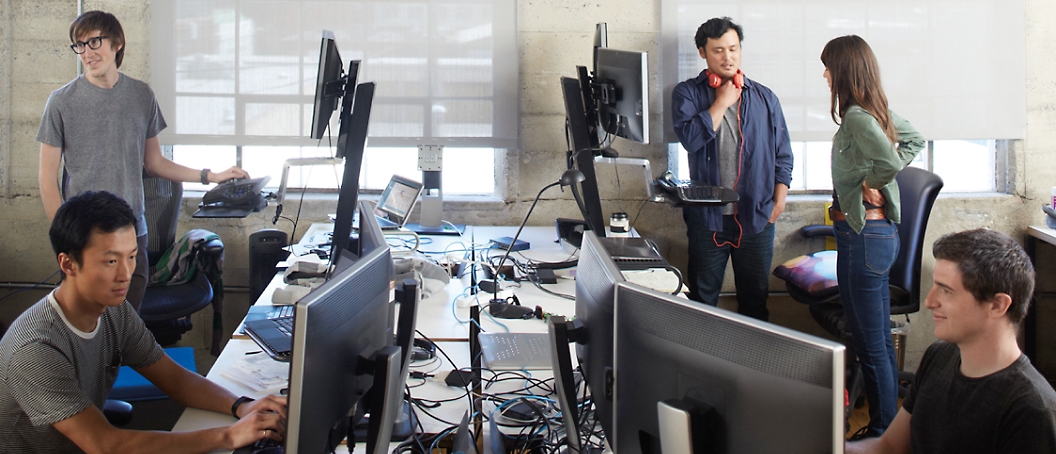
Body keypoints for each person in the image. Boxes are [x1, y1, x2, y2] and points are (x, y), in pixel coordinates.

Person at [0, 191, 287, 452]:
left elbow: (174, 379)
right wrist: (229, 436)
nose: (126, 274)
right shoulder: (36, 349)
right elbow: (106, 445)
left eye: (132, 257)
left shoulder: (114, 311)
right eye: (111, 261)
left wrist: (242, 407)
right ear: (68, 264)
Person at [36, 10, 249, 312]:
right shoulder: (61, 101)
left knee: (124, 329)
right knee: (90, 333)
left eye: (94, 42)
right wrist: (65, 238)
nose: (86, 52)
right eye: (79, 45)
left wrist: (211, 176)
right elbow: (47, 179)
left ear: (117, 43)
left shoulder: (140, 96)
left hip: (132, 233)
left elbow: (156, 164)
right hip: (85, 236)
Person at [847, 229, 1056, 453]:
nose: (929, 301)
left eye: (946, 291)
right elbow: (888, 446)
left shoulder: (1031, 410)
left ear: (997, 305)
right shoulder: (939, 356)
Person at [820, 35, 925, 438]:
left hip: (863, 237)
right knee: (877, 340)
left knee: (870, 342)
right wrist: (873, 175)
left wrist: (872, 179)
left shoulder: (859, 118)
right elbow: (913, 139)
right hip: (875, 237)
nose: (825, 74)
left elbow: (888, 162)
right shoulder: (873, 111)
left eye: (829, 67)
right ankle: (888, 428)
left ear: (843, 72)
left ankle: (882, 430)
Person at [671, 16, 793, 321]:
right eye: (718, 51)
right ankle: (701, 367)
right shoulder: (687, 94)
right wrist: (721, 103)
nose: (728, 57)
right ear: (703, 52)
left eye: (733, 49)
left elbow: (783, 155)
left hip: (756, 217)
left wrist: (779, 199)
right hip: (708, 218)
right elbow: (691, 139)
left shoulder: (765, 98)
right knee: (701, 301)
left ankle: (751, 365)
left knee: (755, 301)